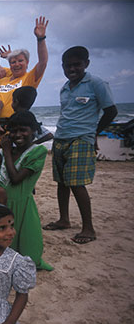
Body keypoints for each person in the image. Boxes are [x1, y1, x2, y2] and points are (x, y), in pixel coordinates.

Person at [43, 46, 117, 244]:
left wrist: (94, 134)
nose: (72, 69)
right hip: (61, 138)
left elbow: (111, 111)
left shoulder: (96, 83)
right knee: (62, 182)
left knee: (76, 183)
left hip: (81, 139)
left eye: (77, 64)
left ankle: (88, 228)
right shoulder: (65, 87)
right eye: (68, 66)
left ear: (86, 64)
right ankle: (64, 219)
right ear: (63, 67)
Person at [0, 111, 52, 270]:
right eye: (13, 131)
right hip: (2, 202)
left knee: (26, 243)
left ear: (34, 130)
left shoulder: (38, 152)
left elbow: (15, 179)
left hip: (21, 204)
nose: (18, 135)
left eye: (23, 130)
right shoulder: (4, 152)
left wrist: (7, 151)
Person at [0, 16, 49, 122]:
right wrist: (4, 61)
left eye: (20, 61)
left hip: (14, 122)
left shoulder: (29, 78)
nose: (16, 64)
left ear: (27, 62)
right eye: (13, 62)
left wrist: (40, 39)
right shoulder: (4, 77)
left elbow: (43, 62)